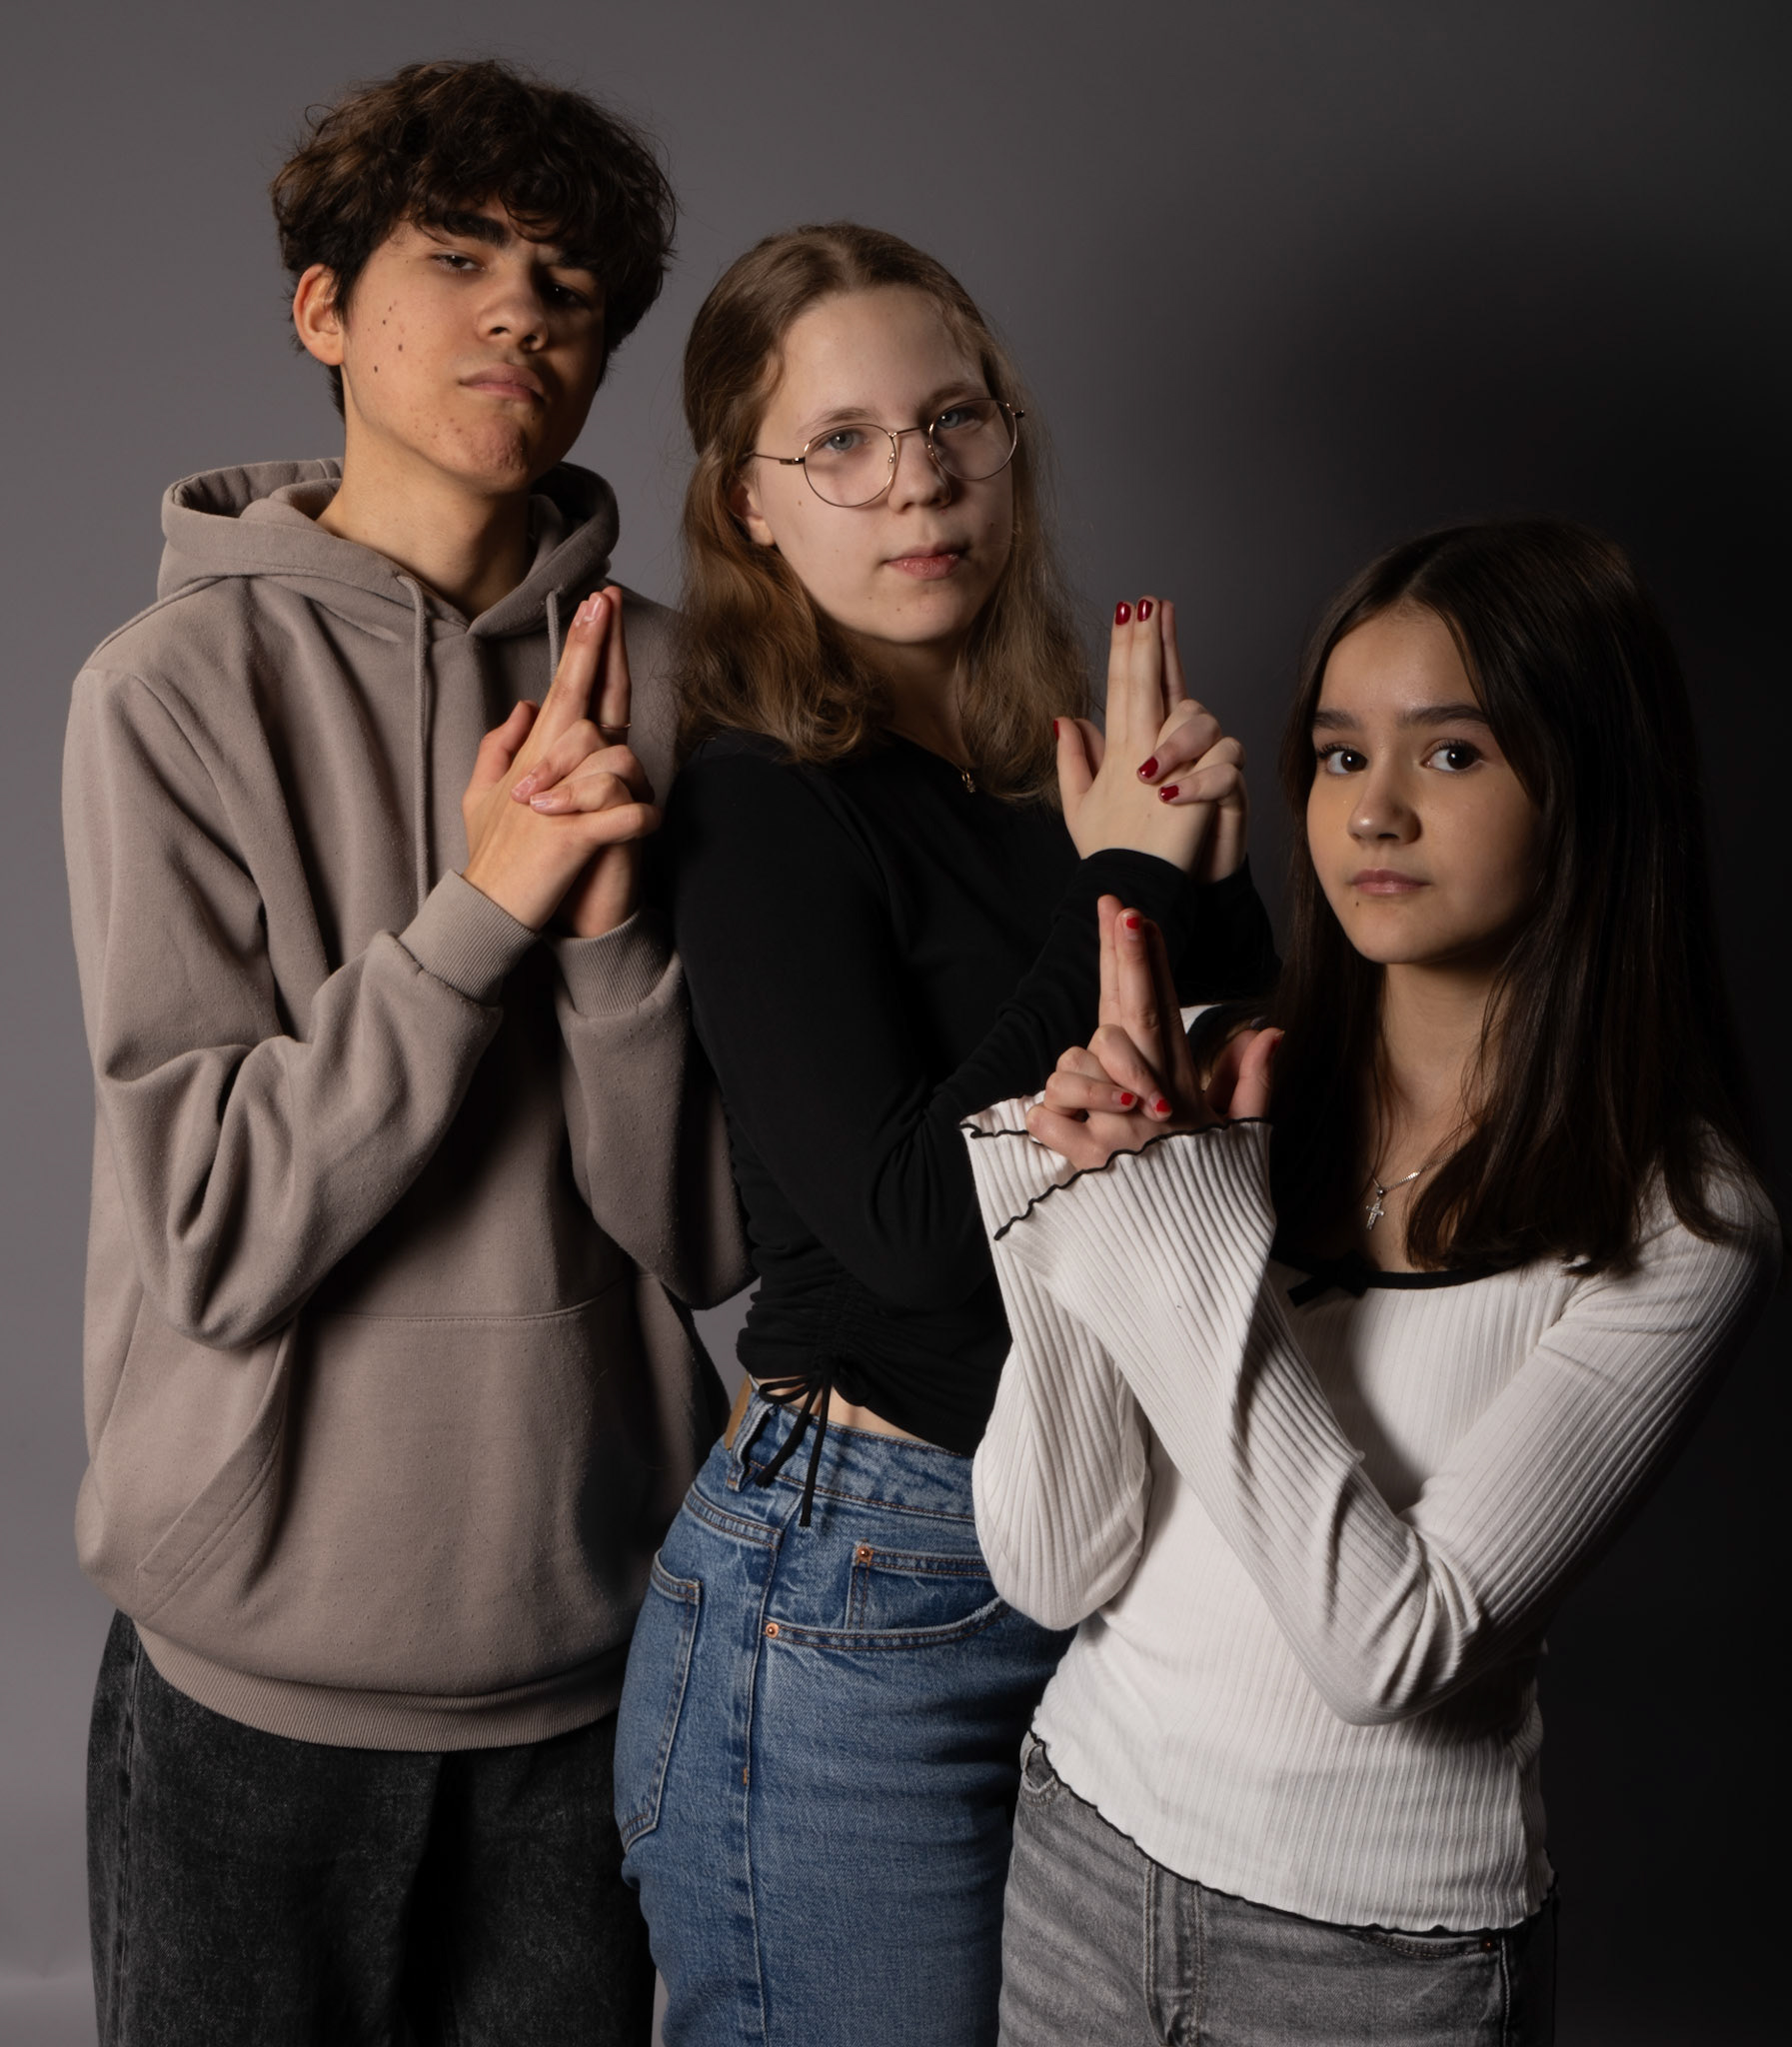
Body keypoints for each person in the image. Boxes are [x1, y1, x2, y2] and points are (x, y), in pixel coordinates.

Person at [64, 58, 745, 2046]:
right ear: (324, 310)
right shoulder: (169, 691)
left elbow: (712, 1234)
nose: (523, 310)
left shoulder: (680, 688)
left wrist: (604, 943)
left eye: (569, 285)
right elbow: (218, 1226)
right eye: (459, 258)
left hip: (594, 1648)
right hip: (250, 1667)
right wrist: (482, 910)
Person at [959, 521, 1781, 2046]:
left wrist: (1173, 1228)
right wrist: (1077, 1210)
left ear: (1590, 790)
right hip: (1079, 1850)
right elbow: (1051, 1564)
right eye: (1339, 756)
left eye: (1450, 754)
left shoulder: (1680, 1217)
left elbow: (1384, 1650)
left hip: (1371, 1961)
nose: (1373, 810)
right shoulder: (1216, 1065)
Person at [610, 221, 1276, 2047]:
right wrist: (1122, 880)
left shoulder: (1059, 762)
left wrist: (1199, 886)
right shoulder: (761, 805)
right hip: (855, 1589)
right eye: (838, 443)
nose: (915, 481)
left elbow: (1227, 1144)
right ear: (749, 506)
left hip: (1110, 1540)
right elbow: (912, 1226)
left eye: (951, 420)